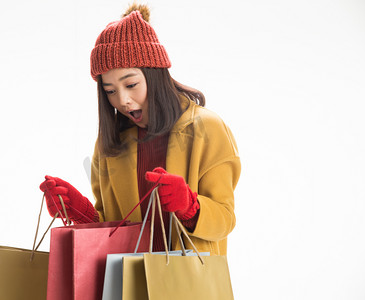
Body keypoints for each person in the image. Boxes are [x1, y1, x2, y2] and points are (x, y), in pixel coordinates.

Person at [39, 3, 241, 256]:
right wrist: (81, 213)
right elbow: (114, 229)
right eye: (110, 91)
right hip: (128, 287)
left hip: (187, 287)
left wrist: (190, 206)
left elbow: (225, 218)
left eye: (131, 84)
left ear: (154, 75)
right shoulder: (110, 145)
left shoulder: (206, 128)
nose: (122, 100)